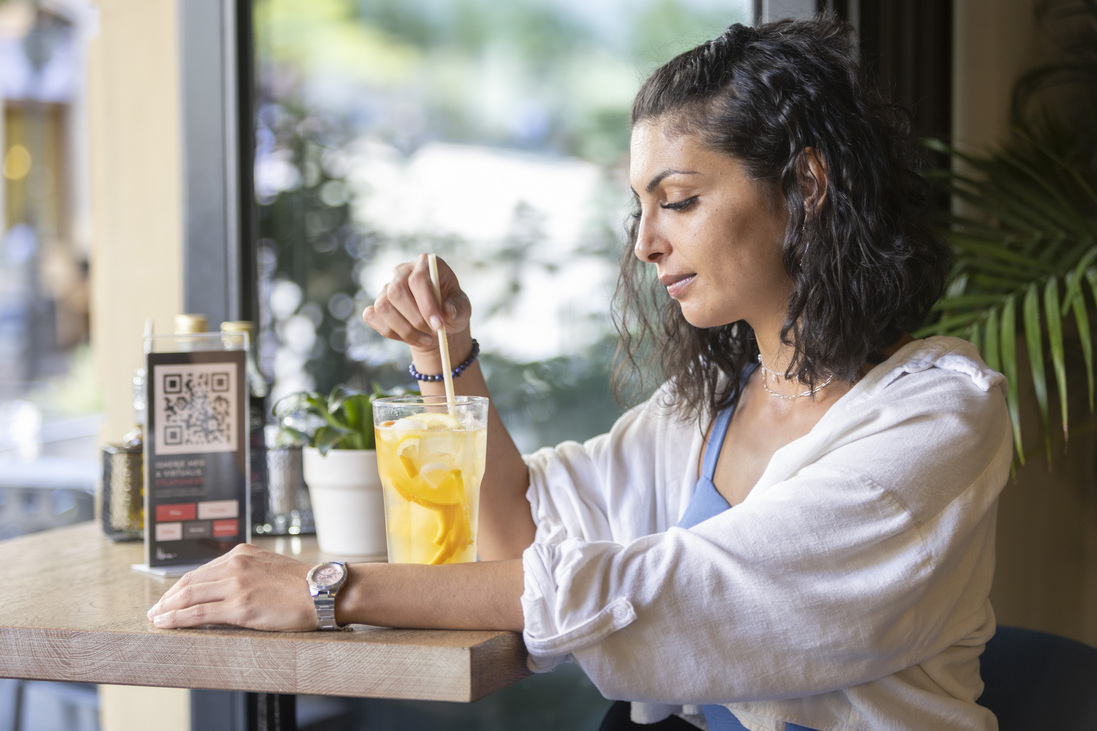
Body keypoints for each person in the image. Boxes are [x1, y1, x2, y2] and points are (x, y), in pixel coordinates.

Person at [149, 15, 1011, 731]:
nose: (644, 242)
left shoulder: (939, 415)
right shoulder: (701, 409)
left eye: (677, 200)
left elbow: (679, 594)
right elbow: (524, 539)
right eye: (636, 207)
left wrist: (330, 589)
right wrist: (444, 358)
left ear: (805, 183)